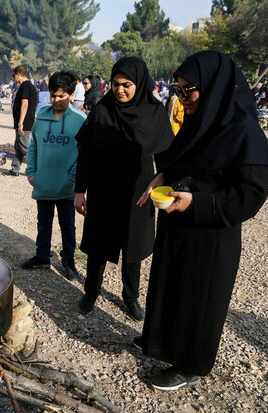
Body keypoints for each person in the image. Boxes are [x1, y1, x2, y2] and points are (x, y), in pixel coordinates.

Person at [136, 51, 268, 391]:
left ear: (214, 87)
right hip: (179, 225)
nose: (181, 98)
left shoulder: (242, 131)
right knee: (171, 288)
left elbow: (251, 195)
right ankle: (160, 343)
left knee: (197, 300)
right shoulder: (198, 121)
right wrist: (163, 175)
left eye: (189, 91)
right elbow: (182, 160)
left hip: (212, 235)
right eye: (178, 90)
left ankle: (192, 364)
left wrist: (197, 203)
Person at [73, 57, 175, 321]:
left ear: (139, 84)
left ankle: (130, 297)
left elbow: (165, 157)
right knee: (98, 243)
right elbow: (86, 153)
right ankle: (91, 291)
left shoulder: (155, 113)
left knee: (134, 246)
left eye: (127, 85)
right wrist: (80, 191)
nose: (120, 90)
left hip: (139, 191)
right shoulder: (102, 110)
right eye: (116, 84)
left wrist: (165, 184)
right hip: (103, 188)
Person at [21, 71, 86, 278]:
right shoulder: (42, 117)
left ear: (71, 95)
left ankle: (68, 261)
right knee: (43, 223)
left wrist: (73, 178)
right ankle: (42, 257)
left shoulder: (80, 119)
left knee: (68, 226)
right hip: (43, 184)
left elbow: (84, 154)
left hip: (67, 186)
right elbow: (33, 148)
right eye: (52, 95)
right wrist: (31, 173)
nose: (56, 100)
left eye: (61, 96)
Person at [8, 66, 38, 176]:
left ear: (19, 74)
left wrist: (20, 123)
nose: (14, 78)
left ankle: (39, 169)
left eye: (14, 75)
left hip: (24, 123)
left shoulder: (25, 86)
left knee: (26, 148)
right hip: (26, 121)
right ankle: (15, 169)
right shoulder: (31, 86)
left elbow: (25, 104)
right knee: (18, 147)